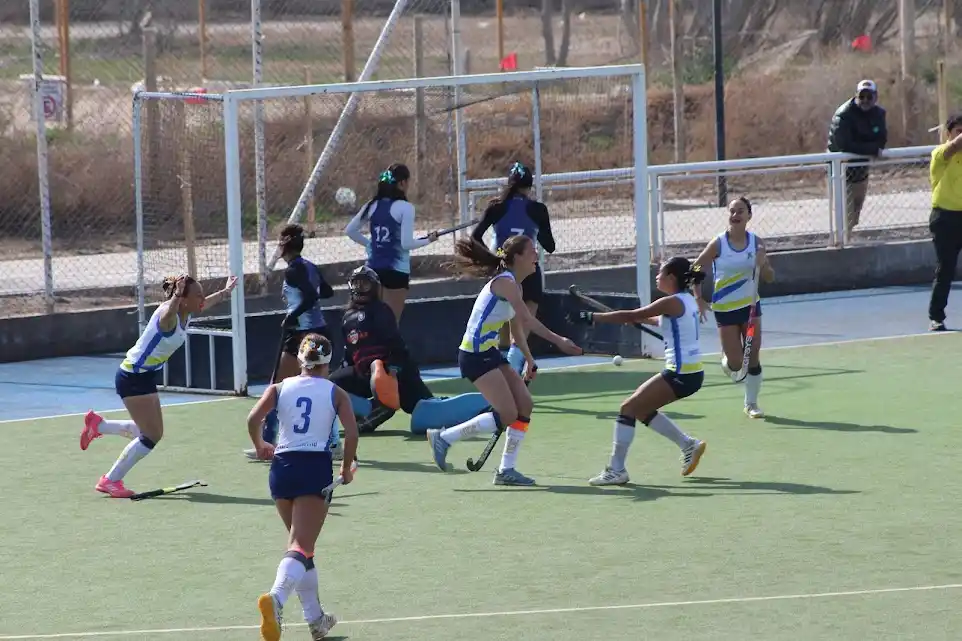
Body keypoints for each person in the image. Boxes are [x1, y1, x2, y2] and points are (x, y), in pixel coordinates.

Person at [426, 236, 583, 486]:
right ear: (517, 257)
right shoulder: (505, 283)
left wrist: (529, 360)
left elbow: (516, 330)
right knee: (508, 413)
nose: (537, 256)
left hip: (489, 353)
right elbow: (529, 320)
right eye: (532, 251)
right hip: (474, 355)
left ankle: (505, 470)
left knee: (525, 405)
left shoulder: (516, 287)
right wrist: (559, 340)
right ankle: (444, 438)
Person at [80, 273, 237, 498]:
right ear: (182, 298)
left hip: (145, 376)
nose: (202, 298)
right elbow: (167, 314)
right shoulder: (169, 317)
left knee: (152, 432)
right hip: (132, 377)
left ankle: (99, 426)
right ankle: (110, 480)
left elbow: (204, 304)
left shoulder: (187, 312)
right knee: (151, 436)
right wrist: (176, 296)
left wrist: (226, 292)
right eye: (198, 295)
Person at [247, 333, 358, 641]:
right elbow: (351, 432)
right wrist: (346, 467)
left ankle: (316, 620)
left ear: (299, 360)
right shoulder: (336, 392)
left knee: (301, 548)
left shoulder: (279, 388)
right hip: (314, 468)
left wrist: (259, 445)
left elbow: (253, 418)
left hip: (281, 469)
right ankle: (276, 599)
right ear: (328, 361)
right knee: (300, 547)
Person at [574, 257, 708, 486]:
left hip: (680, 374)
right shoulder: (687, 301)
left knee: (628, 408)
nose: (657, 276)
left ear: (671, 277)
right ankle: (688, 445)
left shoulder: (671, 302)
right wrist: (639, 319)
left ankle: (616, 470)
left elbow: (630, 314)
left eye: (660, 272)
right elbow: (657, 320)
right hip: (691, 373)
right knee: (641, 409)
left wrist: (593, 317)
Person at [331, 265, 491, 435]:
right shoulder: (347, 318)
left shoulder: (380, 311)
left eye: (365, 284)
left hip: (397, 372)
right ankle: (371, 409)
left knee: (426, 416)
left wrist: (392, 374)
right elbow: (349, 354)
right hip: (365, 375)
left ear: (375, 287)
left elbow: (396, 346)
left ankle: (488, 403)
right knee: (329, 387)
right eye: (356, 284)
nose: (360, 289)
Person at [245, 224, 335, 460]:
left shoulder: (294, 270)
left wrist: (292, 315)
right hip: (320, 331)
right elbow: (327, 291)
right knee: (321, 389)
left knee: (278, 387)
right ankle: (333, 443)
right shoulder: (310, 267)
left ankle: (266, 444)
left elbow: (313, 295)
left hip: (302, 334)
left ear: (284, 247)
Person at [471, 161, 556, 376]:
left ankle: (503, 372)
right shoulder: (537, 209)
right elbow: (550, 246)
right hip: (529, 272)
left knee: (501, 329)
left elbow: (475, 237)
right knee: (523, 326)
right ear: (529, 186)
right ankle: (515, 368)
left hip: (503, 273)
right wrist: (538, 224)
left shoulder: (496, 206)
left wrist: (490, 259)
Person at [693, 197, 774, 418]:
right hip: (725, 309)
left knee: (753, 354)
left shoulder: (757, 243)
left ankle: (752, 404)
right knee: (737, 363)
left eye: (740, 211)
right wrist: (699, 298)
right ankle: (728, 361)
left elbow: (769, 277)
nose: (735, 215)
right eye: (732, 211)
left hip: (750, 307)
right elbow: (696, 269)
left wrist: (763, 263)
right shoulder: (719, 243)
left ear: (749, 215)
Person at [344, 163, 440, 323]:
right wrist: (428, 239)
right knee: (390, 325)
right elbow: (406, 244)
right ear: (402, 183)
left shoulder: (372, 205)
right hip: (396, 273)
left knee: (370, 323)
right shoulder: (405, 208)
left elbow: (350, 230)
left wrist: (370, 245)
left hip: (372, 270)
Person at [827, 79, 888, 235]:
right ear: (856, 95)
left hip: (861, 168)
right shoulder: (844, 115)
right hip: (840, 170)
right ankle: (841, 241)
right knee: (845, 211)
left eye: (869, 96)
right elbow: (845, 145)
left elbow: (881, 138)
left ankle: (847, 235)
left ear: (876, 97)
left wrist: (871, 148)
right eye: (862, 96)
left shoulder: (879, 114)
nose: (866, 100)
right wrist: (872, 148)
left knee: (856, 209)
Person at [927, 114, 962, 331]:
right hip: (945, 219)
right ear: (949, 133)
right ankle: (936, 316)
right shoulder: (940, 154)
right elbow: (955, 146)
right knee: (946, 269)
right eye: (958, 130)